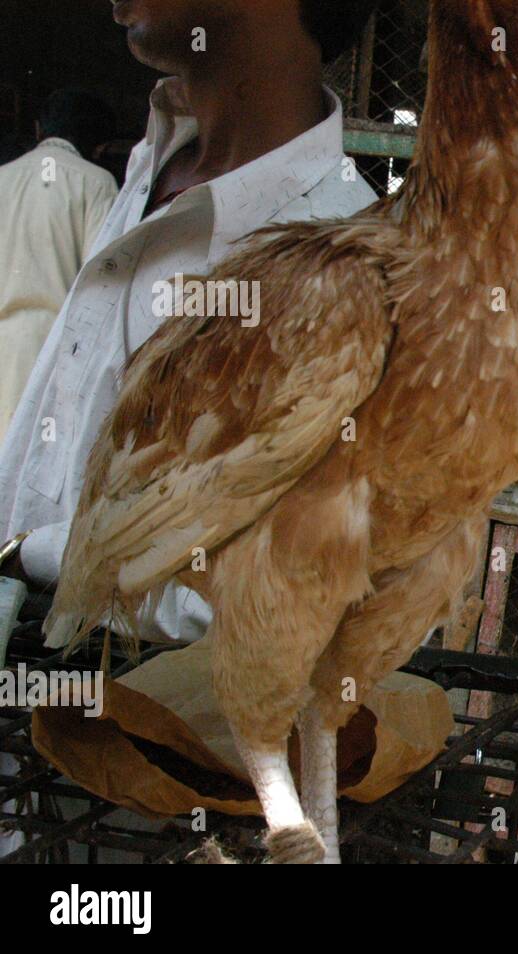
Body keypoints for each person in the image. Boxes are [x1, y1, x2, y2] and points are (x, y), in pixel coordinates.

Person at [0, 0, 380, 644]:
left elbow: (263, 592)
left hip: (114, 722)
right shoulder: (155, 164)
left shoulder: (342, 267)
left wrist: (28, 554)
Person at [0, 90, 118, 443]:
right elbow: (104, 285)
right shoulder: (96, 182)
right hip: (57, 353)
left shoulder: (3, 178)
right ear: (100, 146)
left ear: (38, 130)